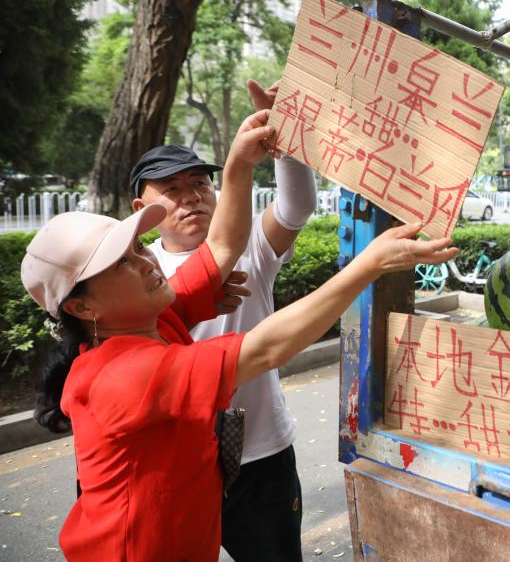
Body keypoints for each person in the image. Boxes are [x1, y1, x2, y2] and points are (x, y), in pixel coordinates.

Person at [24, 111, 458, 561]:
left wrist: (237, 164)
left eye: (137, 249)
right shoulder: (123, 373)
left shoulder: (155, 315)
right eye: (123, 263)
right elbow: (268, 347)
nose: (147, 262)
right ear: (82, 307)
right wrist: (368, 265)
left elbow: (222, 246)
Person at [129, 80, 316, 560]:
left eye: (199, 183)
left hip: (261, 455)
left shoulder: (251, 245)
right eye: (171, 189)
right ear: (141, 210)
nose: (191, 197)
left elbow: (296, 207)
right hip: (180, 465)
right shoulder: (133, 272)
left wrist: (287, 135)